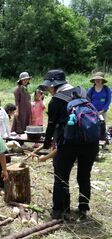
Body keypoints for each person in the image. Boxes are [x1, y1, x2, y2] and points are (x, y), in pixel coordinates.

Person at [42, 69, 99, 221]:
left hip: (68, 144)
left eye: (49, 87)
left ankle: (60, 210)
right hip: (90, 142)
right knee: (84, 176)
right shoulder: (82, 92)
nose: (48, 90)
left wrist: (46, 144)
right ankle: (83, 208)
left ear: (54, 85)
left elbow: (51, 126)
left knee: (61, 177)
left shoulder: (56, 100)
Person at [87, 72, 111, 149]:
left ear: (102, 80)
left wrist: (103, 110)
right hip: (92, 111)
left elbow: (108, 101)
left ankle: (104, 142)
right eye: (96, 79)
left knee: (102, 126)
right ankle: (93, 142)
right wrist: (92, 109)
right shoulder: (91, 89)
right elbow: (87, 100)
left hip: (102, 112)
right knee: (92, 126)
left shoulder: (107, 89)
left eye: (99, 79)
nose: (97, 80)